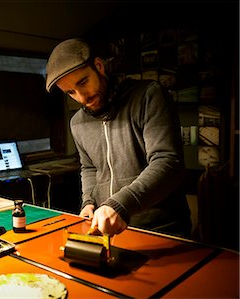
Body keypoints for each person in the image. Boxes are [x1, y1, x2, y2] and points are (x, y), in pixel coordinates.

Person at [45, 38, 191, 237]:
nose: (81, 97)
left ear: (98, 66)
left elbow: (167, 162)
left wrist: (120, 204)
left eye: (83, 82)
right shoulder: (77, 122)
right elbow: (89, 167)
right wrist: (88, 202)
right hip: (110, 230)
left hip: (161, 228)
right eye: (71, 92)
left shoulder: (148, 96)